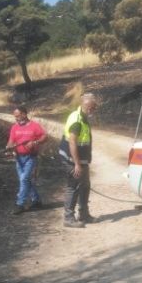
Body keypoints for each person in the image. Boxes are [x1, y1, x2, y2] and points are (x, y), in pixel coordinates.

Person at [58, 93, 97, 228]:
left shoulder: (84, 117)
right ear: (83, 105)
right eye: (89, 107)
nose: (91, 110)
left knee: (85, 185)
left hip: (82, 159)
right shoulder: (76, 119)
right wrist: (76, 164)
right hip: (70, 158)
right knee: (73, 185)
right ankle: (68, 218)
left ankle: (84, 214)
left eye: (93, 107)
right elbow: (72, 143)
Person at [6, 105, 46, 214]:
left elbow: (44, 136)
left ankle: (20, 204)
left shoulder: (34, 126)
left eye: (18, 116)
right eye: (15, 117)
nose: (16, 118)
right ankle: (36, 200)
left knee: (23, 179)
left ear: (24, 114)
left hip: (31, 157)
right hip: (19, 158)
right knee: (25, 180)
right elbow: (11, 140)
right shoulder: (15, 127)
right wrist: (9, 147)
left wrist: (35, 142)